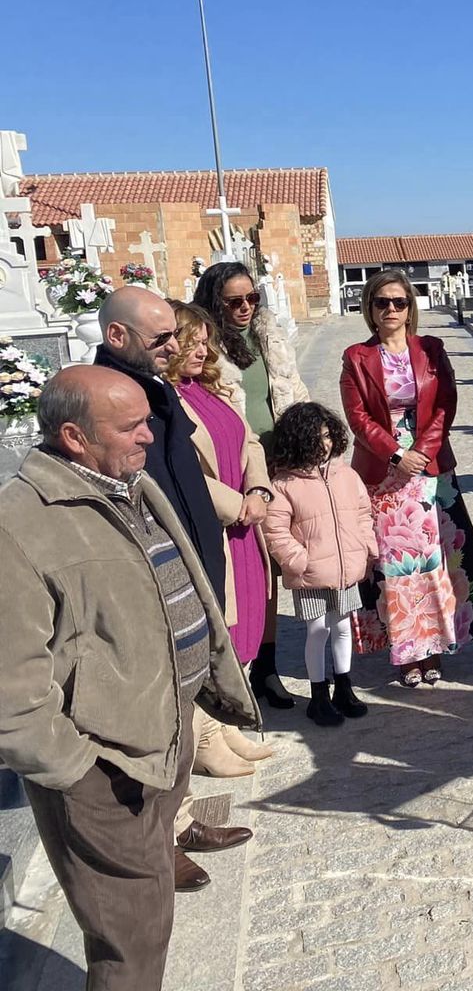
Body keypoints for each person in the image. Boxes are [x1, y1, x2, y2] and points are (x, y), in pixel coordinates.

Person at [0, 366, 258, 988]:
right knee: (130, 938)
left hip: (163, 742)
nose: (151, 434)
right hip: (102, 768)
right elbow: (11, 688)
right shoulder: (20, 523)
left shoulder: (127, 483)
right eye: (132, 425)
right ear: (73, 436)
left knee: (151, 918)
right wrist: (77, 770)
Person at [341, 270, 473, 688]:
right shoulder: (356, 357)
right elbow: (357, 418)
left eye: (399, 302)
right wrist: (396, 454)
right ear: (370, 309)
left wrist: (421, 453)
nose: (391, 309)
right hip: (385, 474)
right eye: (382, 302)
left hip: (429, 470)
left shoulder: (431, 349)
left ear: (411, 307)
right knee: (398, 565)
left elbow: (446, 403)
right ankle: (407, 651)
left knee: (436, 560)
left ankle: (435, 645)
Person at [164, 301, 276, 779]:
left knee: (247, 620)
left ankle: (227, 723)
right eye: (193, 340)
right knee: (217, 628)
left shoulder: (210, 387)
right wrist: (236, 504)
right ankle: (206, 736)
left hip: (245, 523)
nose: (202, 349)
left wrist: (258, 488)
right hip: (216, 525)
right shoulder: (166, 399)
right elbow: (181, 470)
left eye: (205, 340)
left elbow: (249, 439)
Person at [193, 261, 311, 711]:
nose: (246, 308)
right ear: (214, 302)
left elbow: (290, 392)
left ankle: (268, 667)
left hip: (283, 463)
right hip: (238, 471)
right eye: (234, 301)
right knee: (249, 574)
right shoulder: (206, 348)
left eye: (252, 299)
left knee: (275, 573)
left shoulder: (268, 339)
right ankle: (239, 670)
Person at [95, 287, 226, 610]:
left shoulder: (157, 386)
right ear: (117, 335)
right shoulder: (100, 404)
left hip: (202, 570)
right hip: (164, 584)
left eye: (174, 335)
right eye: (160, 338)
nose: (174, 347)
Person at [263, 402, 380, 728]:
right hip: (312, 574)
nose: (324, 444)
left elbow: (362, 514)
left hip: (346, 570)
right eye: (315, 438)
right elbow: (275, 531)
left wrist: (366, 547)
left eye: (328, 436)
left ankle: (344, 685)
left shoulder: (347, 475)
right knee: (317, 630)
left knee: (343, 627)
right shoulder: (284, 484)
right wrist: (299, 560)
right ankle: (318, 695)